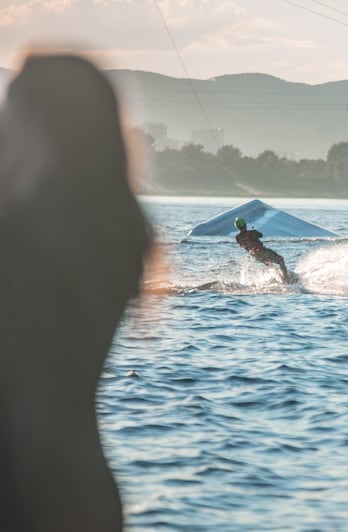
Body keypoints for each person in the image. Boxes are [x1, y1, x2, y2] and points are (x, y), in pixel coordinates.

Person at [0, 53, 151, 530]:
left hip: (23, 488)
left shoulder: (25, 234)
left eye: (9, 115)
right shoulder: (120, 230)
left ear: (38, 126)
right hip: (83, 488)